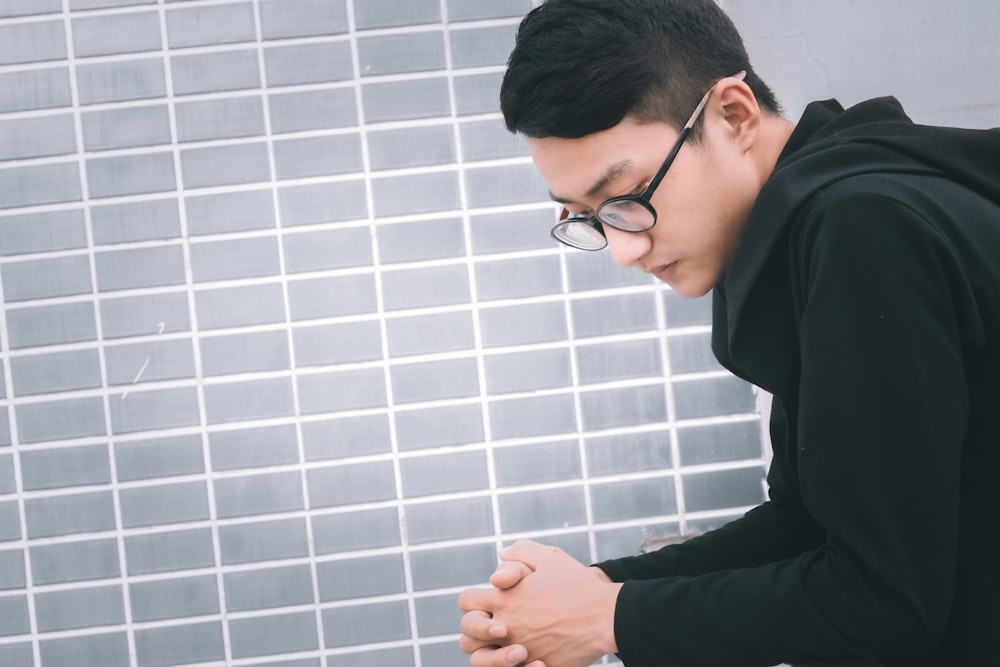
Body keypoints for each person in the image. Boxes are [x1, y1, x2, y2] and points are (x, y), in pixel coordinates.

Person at [456, 1, 1000, 666]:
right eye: (587, 218)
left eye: (627, 196)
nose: (624, 250)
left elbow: (882, 600)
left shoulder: (863, 228)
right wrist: (591, 594)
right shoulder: (832, 218)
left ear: (733, 114)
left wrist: (610, 620)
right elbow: (808, 525)